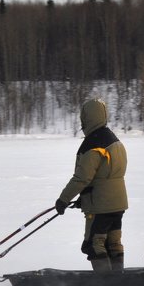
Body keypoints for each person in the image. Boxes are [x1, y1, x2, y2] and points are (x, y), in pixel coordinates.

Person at [53, 99, 128, 271]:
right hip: (118, 204)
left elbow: (82, 178)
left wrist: (63, 200)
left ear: (86, 118)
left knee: (94, 244)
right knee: (113, 242)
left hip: (101, 206)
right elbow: (105, 176)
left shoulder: (93, 145)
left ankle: (105, 285)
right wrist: (84, 198)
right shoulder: (114, 140)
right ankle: (120, 281)